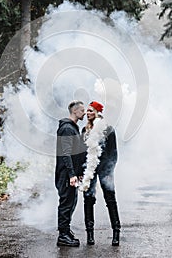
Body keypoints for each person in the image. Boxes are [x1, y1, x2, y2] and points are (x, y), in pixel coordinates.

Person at [80, 101, 121, 246]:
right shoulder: (84, 131)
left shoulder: (108, 129)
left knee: (110, 199)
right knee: (88, 198)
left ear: (97, 112)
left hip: (105, 169)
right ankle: (90, 234)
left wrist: (109, 171)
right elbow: (81, 152)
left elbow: (113, 152)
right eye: (87, 111)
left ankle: (116, 232)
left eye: (90, 111)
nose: (87, 113)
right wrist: (81, 171)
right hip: (89, 168)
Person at [55, 100, 86, 247]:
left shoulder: (73, 128)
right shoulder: (67, 129)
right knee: (66, 204)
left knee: (71, 202)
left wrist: (78, 172)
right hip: (66, 174)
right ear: (75, 111)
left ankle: (66, 231)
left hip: (71, 174)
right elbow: (66, 153)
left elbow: (76, 153)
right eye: (82, 110)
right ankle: (63, 236)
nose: (84, 113)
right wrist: (71, 174)